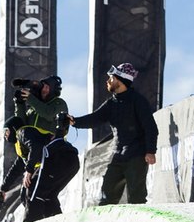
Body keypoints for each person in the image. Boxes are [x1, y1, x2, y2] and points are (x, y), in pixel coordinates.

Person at [0, 75, 80, 222]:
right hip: (41, 156)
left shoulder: (58, 103)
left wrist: (31, 98)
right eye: (42, 86)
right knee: (30, 193)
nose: (43, 90)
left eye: (47, 87)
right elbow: (20, 124)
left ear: (53, 90)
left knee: (33, 192)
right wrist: (19, 103)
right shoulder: (32, 113)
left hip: (55, 153)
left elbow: (49, 114)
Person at [66, 62, 159, 205]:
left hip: (137, 155)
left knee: (136, 198)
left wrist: (150, 151)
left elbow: (151, 128)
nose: (108, 81)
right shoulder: (112, 103)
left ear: (121, 81)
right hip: (118, 156)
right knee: (107, 195)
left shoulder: (138, 101)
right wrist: (74, 121)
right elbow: (95, 118)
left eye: (111, 78)